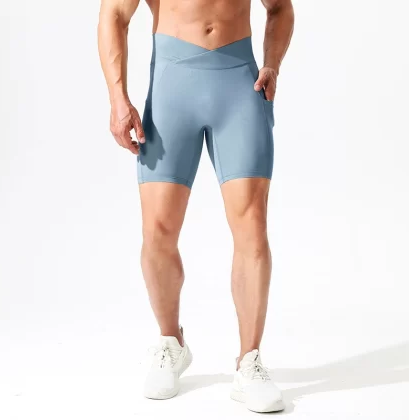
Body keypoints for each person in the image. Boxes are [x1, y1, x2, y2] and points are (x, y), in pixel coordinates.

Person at [98, 0, 294, 412]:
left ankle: (249, 360)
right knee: (157, 232)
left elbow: (279, 7)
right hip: (173, 88)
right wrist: (118, 98)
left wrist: (272, 65)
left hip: (239, 89)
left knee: (252, 226)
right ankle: (171, 342)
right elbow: (114, 14)